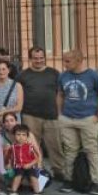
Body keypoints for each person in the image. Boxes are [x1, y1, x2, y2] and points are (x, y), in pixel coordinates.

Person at [57, 50, 98, 195]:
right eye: (64, 60)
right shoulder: (63, 76)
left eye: (68, 61)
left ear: (79, 60)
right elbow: (60, 94)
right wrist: (59, 114)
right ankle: (68, 179)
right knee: (69, 150)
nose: (65, 64)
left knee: (91, 150)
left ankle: (95, 181)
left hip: (88, 118)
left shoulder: (93, 75)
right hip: (67, 118)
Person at [17, 47, 64, 179]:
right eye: (35, 58)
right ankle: (38, 169)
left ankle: (59, 171)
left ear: (44, 58)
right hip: (30, 114)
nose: (38, 60)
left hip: (52, 115)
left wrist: (60, 112)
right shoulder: (23, 75)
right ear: (30, 59)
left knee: (55, 144)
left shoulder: (54, 73)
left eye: (41, 58)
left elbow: (61, 93)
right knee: (32, 145)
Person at [8, 124, 43, 195]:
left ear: (27, 136)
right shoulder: (13, 147)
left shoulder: (30, 146)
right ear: (14, 135)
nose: (21, 137)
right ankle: (13, 192)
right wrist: (9, 164)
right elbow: (10, 157)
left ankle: (37, 193)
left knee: (33, 178)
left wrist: (30, 164)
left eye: (24, 135)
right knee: (17, 177)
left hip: (30, 166)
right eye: (18, 134)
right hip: (18, 166)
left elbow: (36, 158)